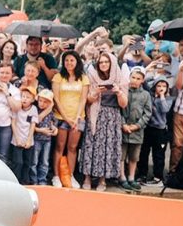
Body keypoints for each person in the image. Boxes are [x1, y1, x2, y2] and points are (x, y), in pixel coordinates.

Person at [81, 52, 128, 191]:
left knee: (107, 148)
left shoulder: (120, 78)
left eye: (106, 62)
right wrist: (95, 93)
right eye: (101, 62)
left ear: (112, 63)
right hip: (96, 114)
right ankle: (87, 178)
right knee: (91, 146)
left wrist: (119, 92)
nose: (103, 64)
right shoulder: (92, 76)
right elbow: (88, 100)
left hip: (112, 117)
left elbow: (124, 104)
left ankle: (102, 180)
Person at [51, 51, 89, 188]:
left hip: (78, 118)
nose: (69, 63)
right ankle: (56, 176)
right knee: (59, 147)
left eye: (72, 60)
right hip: (61, 117)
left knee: (72, 148)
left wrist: (77, 116)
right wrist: (66, 118)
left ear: (77, 61)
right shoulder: (58, 77)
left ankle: (70, 175)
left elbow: (83, 98)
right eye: (66, 60)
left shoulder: (83, 78)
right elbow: (55, 99)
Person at [119, 69, 152, 191]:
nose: (135, 80)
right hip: (123, 129)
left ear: (142, 81)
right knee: (121, 156)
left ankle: (131, 177)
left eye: (138, 78)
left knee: (134, 157)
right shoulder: (124, 91)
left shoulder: (146, 95)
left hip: (137, 131)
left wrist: (137, 125)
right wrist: (123, 124)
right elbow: (119, 110)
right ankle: (122, 177)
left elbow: (147, 113)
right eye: (133, 77)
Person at [138, 76, 173, 185]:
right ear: (154, 86)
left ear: (167, 88)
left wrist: (162, 96)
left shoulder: (168, 99)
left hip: (161, 131)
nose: (161, 88)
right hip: (148, 129)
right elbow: (144, 82)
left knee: (159, 155)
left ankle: (158, 177)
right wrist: (152, 75)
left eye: (164, 86)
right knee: (144, 153)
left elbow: (165, 110)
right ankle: (142, 175)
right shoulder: (150, 96)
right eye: (158, 85)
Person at [0, 63, 21, 163]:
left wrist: (7, 93)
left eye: (7, 73)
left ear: (11, 75)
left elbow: (16, 108)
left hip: (5, 126)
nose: (4, 75)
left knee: (3, 154)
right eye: (2, 72)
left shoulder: (15, 90)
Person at [10, 86, 38, 185]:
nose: (25, 99)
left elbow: (33, 124)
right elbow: (13, 122)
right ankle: (15, 181)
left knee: (27, 163)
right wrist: (17, 138)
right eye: (23, 96)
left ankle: (25, 182)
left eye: (28, 97)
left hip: (28, 141)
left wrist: (29, 140)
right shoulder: (17, 108)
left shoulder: (34, 109)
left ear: (33, 99)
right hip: (17, 140)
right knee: (18, 162)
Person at [31, 90, 58, 185]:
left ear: (50, 103)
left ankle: (42, 179)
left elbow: (54, 124)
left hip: (47, 140)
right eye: (40, 101)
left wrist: (54, 130)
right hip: (36, 139)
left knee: (45, 162)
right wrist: (41, 130)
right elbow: (31, 125)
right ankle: (34, 180)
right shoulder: (34, 110)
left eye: (45, 102)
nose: (42, 103)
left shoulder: (51, 113)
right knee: (34, 161)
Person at [170, 59, 183, 173]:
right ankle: (173, 172)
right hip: (181, 112)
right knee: (178, 144)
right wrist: (181, 70)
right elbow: (179, 86)